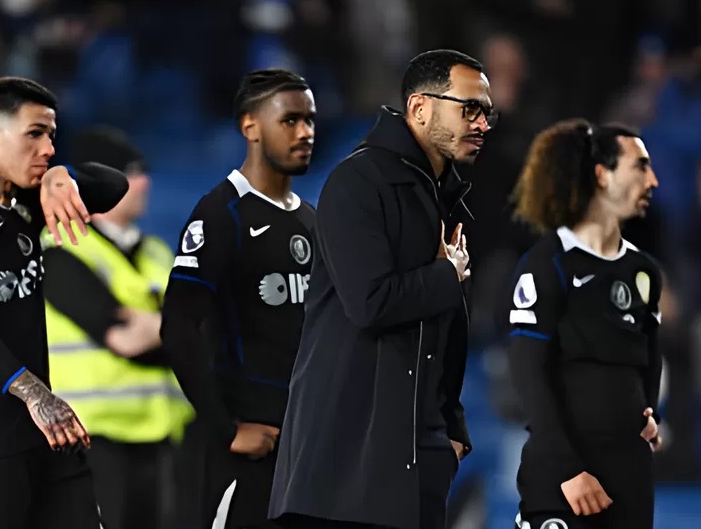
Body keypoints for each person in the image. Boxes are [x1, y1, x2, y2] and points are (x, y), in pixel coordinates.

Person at [269, 49, 496, 529]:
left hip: (415, 459)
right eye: (470, 108)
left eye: (487, 113)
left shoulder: (444, 196)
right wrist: (446, 275)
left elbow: (445, 329)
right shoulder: (358, 182)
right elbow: (370, 303)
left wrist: (451, 427)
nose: (482, 124)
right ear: (420, 108)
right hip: (344, 469)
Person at [0, 77, 129, 528]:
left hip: (47, 437)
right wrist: (35, 393)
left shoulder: (26, 203)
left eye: (52, 136)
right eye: (35, 134)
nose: (48, 148)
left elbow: (114, 185)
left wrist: (66, 176)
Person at [160, 69, 317, 529]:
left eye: (310, 120)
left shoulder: (311, 220)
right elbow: (178, 326)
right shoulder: (220, 214)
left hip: (304, 444)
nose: (305, 132)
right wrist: (225, 428)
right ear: (251, 127)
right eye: (290, 120)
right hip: (248, 446)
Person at [506, 119, 662, 529]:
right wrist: (567, 468)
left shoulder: (643, 270)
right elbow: (528, 370)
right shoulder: (548, 264)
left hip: (629, 476)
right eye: (640, 166)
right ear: (602, 175)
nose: (653, 181)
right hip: (565, 479)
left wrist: (649, 415)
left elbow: (650, 354)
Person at [42, 126, 195, 529]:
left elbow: (196, 331)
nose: (145, 182)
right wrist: (183, 324)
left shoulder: (157, 251)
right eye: (131, 172)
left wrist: (157, 325)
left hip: (164, 435)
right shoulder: (60, 249)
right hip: (95, 441)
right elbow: (126, 338)